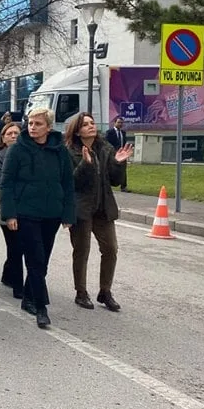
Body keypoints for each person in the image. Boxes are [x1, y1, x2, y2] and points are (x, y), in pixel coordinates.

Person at [0, 107, 76, 329]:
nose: (32, 127)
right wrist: (10, 213)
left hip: (51, 212)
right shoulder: (18, 150)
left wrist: (68, 213)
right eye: (30, 123)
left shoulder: (59, 150)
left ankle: (28, 298)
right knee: (35, 259)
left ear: (48, 127)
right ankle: (41, 307)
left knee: (43, 261)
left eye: (38, 124)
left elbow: (68, 183)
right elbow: (7, 183)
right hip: (26, 212)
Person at [65, 113, 132, 312]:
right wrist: (85, 164)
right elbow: (71, 182)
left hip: (103, 207)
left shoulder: (106, 148)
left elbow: (115, 181)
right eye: (85, 125)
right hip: (82, 208)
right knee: (82, 251)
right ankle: (81, 292)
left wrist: (120, 163)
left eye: (92, 123)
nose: (91, 126)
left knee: (110, 249)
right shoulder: (69, 151)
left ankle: (105, 291)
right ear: (77, 130)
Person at [0, 122, 24, 298]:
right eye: (9, 133)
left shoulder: (27, 154)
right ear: (2, 138)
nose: (13, 136)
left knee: (21, 245)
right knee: (15, 244)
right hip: (8, 206)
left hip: (28, 206)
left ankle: (8, 274)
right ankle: (18, 285)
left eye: (16, 133)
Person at [105, 117, 129, 192]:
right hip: (113, 154)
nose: (120, 124)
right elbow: (107, 143)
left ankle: (123, 186)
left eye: (121, 123)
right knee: (110, 169)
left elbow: (124, 143)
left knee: (123, 170)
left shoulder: (123, 133)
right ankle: (108, 185)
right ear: (115, 123)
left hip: (122, 154)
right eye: (118, 122)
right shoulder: (110, 132)